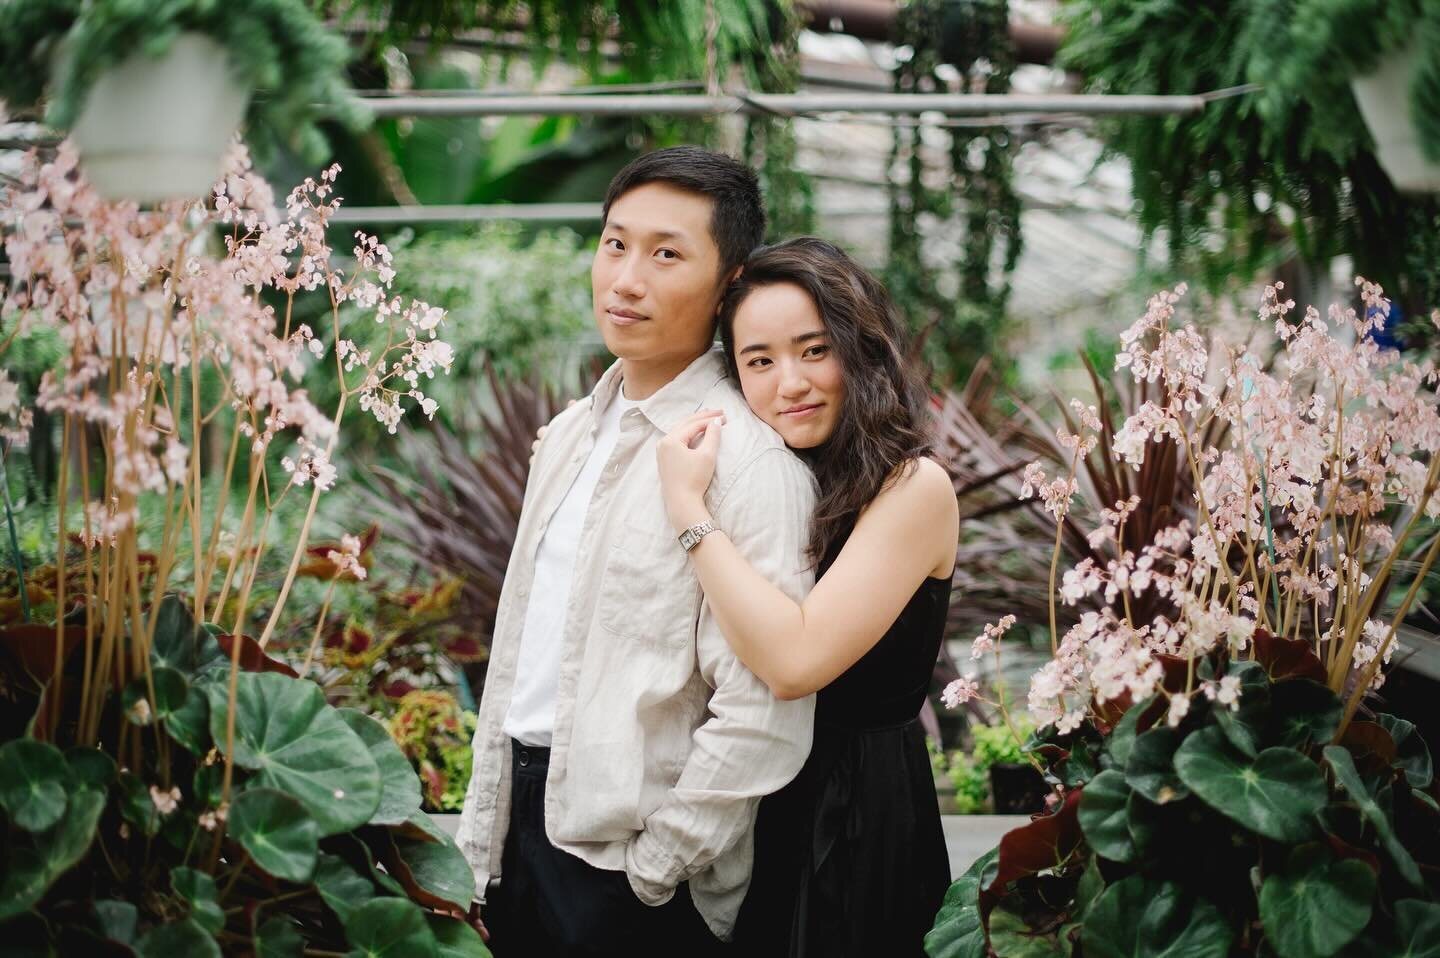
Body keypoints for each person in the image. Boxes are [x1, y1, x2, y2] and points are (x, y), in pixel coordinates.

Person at [456, 148, 818, 957]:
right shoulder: (571, 435)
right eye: (615, 244)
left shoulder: (749, 466)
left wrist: (657, 871)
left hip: (634, 879)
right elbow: (525, 653)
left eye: (666, 254)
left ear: (730, 284)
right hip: (519, 835)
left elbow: (762, 713)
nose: (625, 280)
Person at [656, 237, 957, 956]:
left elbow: (794, 661)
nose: (789, 382)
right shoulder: (776, 480)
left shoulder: (913, 488)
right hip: (767, 801)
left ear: (860, 351)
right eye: (759, 361)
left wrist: (687, 511)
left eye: (814, 350)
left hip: (860, 813)